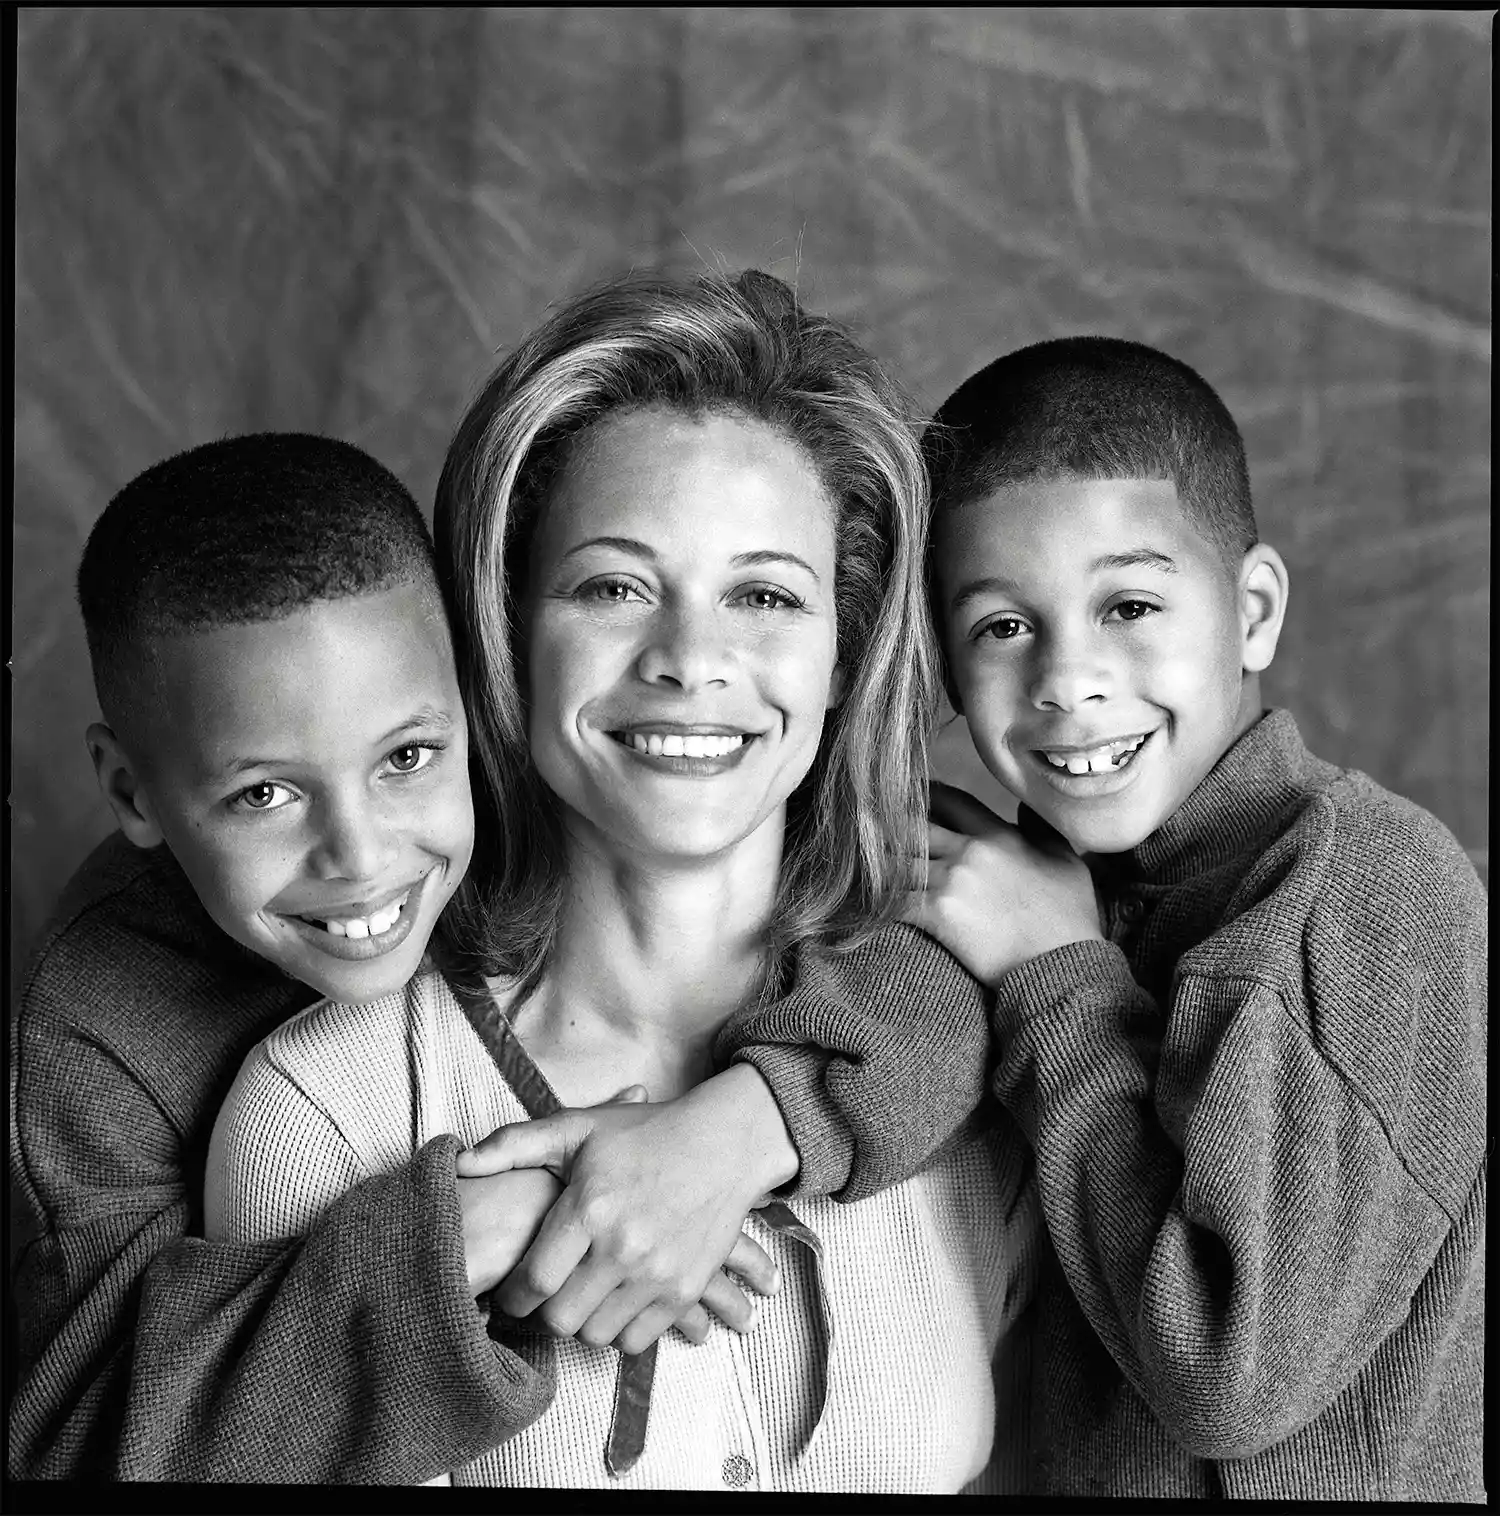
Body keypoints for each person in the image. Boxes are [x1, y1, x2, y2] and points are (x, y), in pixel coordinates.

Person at [9, 432, 993, 1483]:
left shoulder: (901, 915)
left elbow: (959, 959)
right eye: (263, 795)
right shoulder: (115, 1011)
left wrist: (747, 1127)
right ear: (507, 644)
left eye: (405, 758)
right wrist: (476, 1235)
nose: (363, 855)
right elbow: (86, 1448)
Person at [205, 269, 1040, 1493]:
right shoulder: (325, 1113)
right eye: (612, 587)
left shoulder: (976, 1063)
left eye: (764, 595)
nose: (692, 660)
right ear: (509, 628)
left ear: (844, 651)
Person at [909, 335, 1486, 1502]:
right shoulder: (1046, 886)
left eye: (1128, 603)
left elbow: (1234, 1371)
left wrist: (1062, 979)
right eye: (1003, 626)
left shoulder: (1361, 890)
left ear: (1254, 610)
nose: (1068, 680)